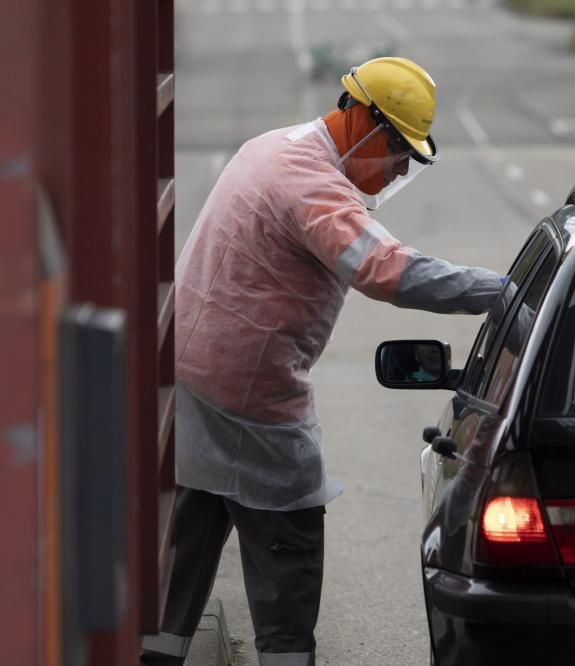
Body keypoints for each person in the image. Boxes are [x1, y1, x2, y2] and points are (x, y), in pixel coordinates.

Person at [141, 57, 510, 666]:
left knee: (183, 555)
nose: (395, 169)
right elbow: (385, 268)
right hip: (248, 401)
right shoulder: (309, 183)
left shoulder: (274, 148)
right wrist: (497, 293)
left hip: (194, 380)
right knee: (289, 558)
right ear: (362, 120)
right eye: (396, 152)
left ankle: (155, 656)